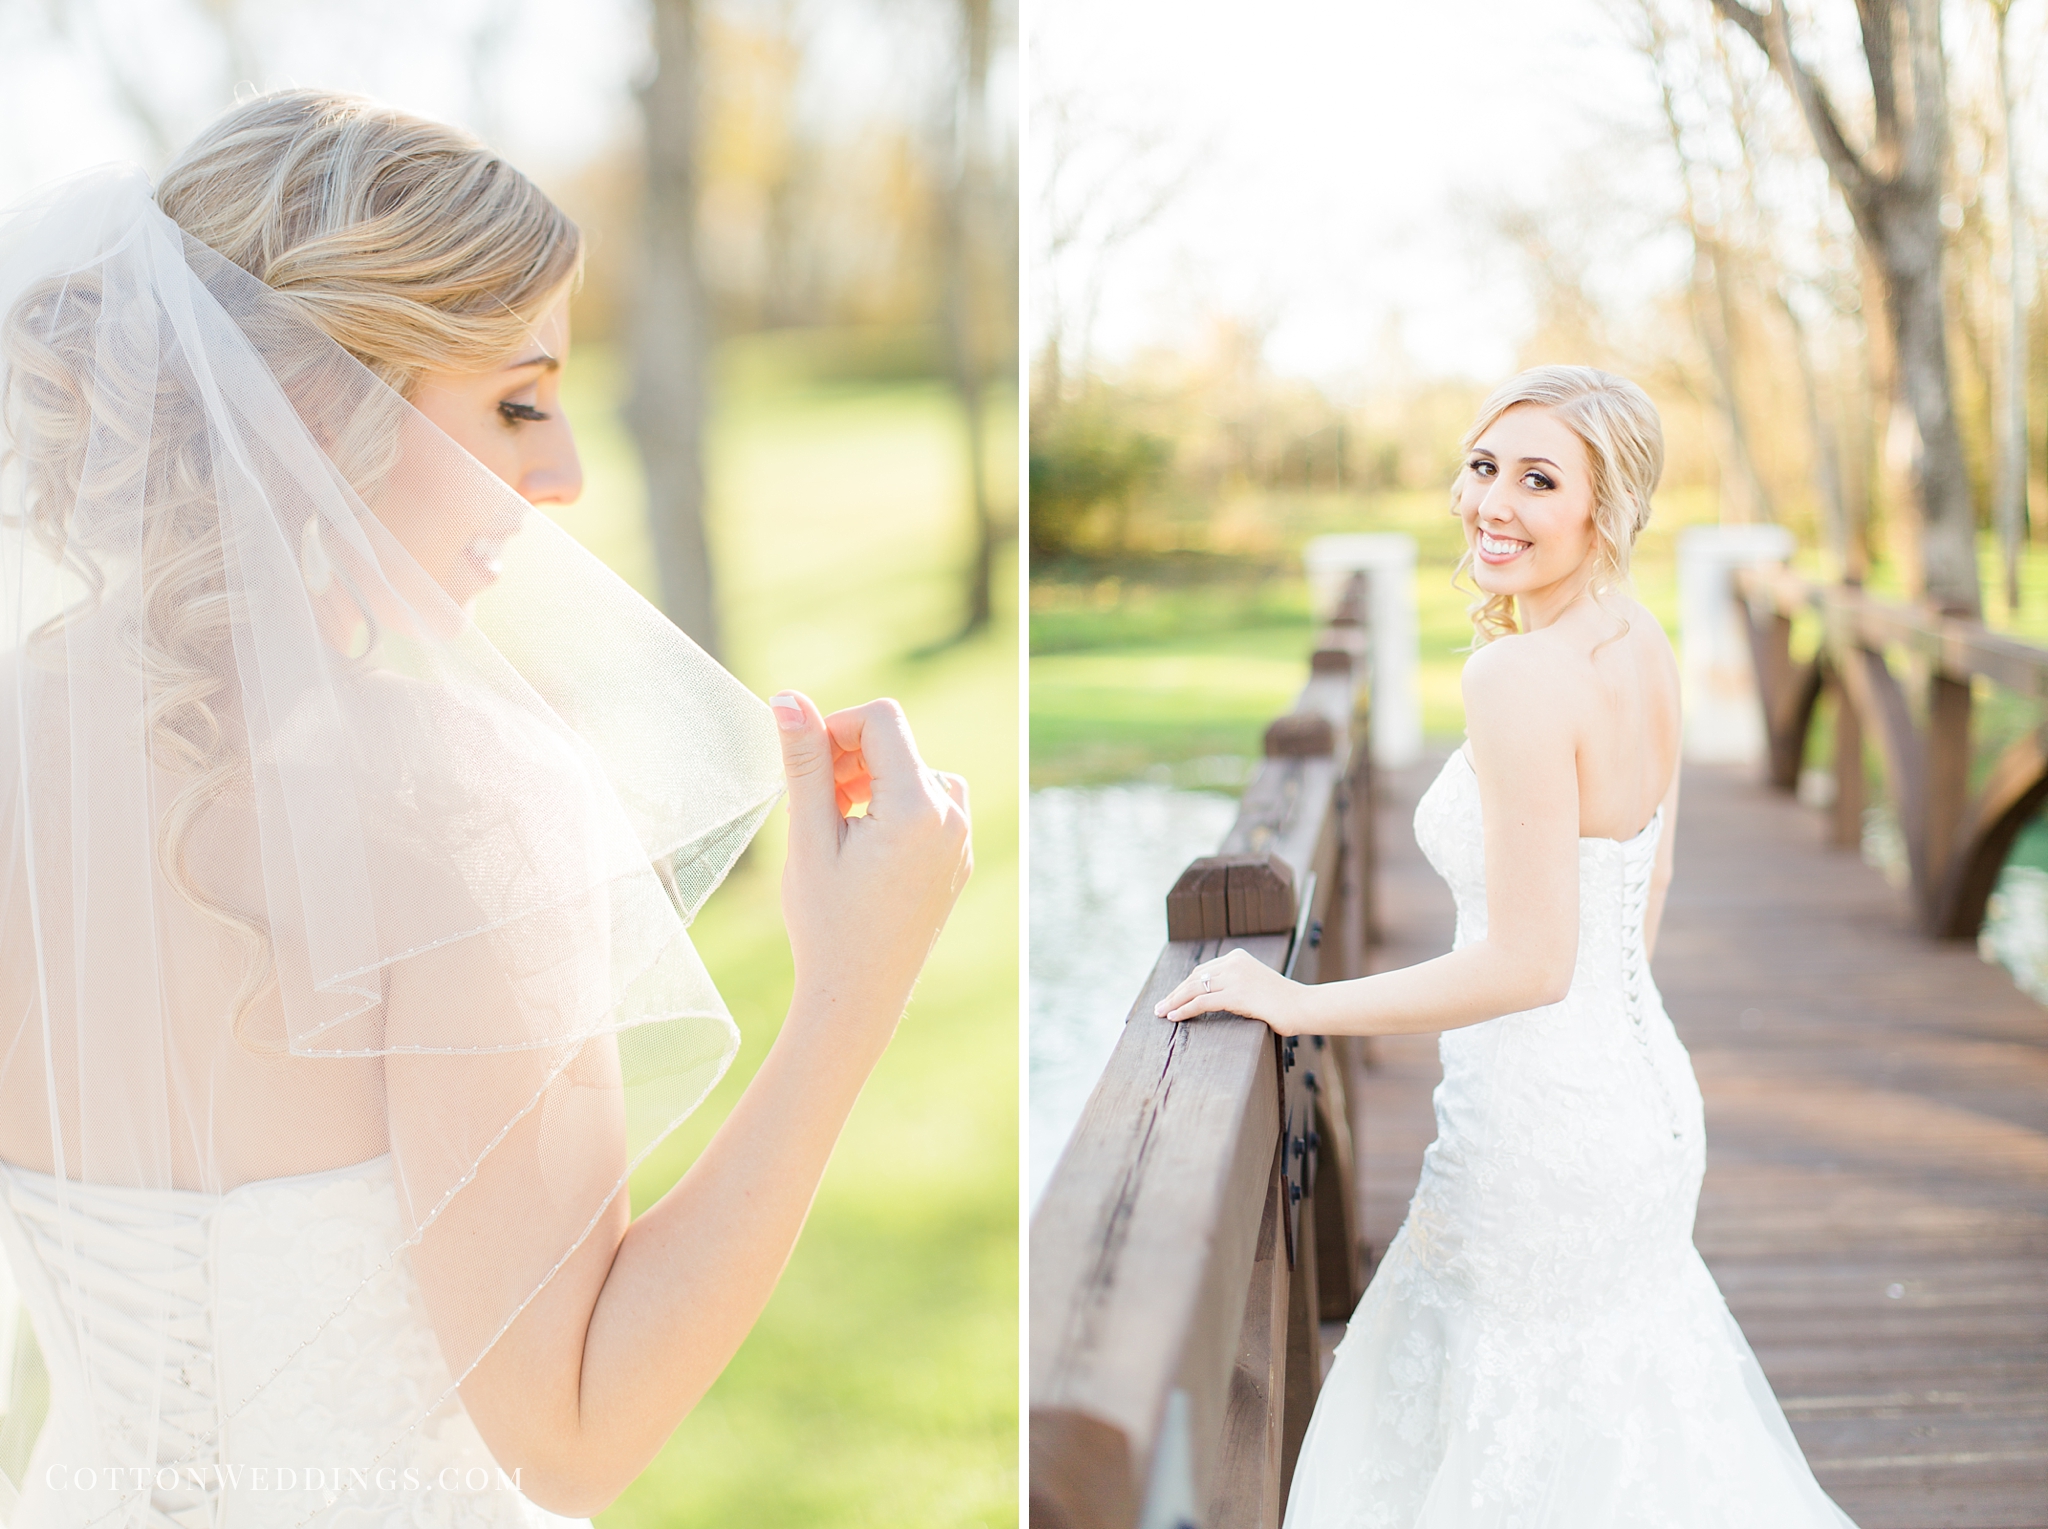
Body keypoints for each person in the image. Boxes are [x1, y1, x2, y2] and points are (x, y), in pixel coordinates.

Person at [0, 90, 970, 1528]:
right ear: (319, 398)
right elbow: (570, 1432)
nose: (562, 475)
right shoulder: (458, 802)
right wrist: (854, 990)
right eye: (516, 402)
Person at [1154, 367, 1856, 1527]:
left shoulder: (1516, 677)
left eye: (1539, 480)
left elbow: (1532, 964)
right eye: (1484, 466)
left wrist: (1292, 1001)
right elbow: (1650, 877)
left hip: (1543, 1130)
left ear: (1604, 508)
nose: (1495, 501)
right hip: (1638, 1095)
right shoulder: (1638, 642)